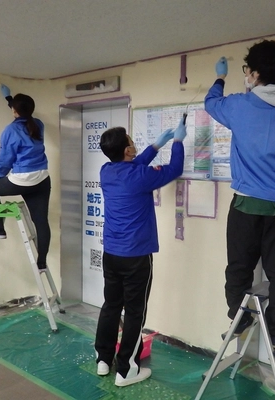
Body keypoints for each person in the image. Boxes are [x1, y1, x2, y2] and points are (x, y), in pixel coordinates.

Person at [204, 40, 275, 349]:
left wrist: (220, 78)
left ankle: (239, 317)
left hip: (246, 206)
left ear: (254, 73)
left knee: (239, 267)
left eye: (247, 70)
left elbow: (211, 103)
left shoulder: (239, 105)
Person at [94, 117, 187, 387]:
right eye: (131, 142)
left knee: (111, 306)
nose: (134, 144)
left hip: (112, 254)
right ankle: (126, 370)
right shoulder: (140, 176)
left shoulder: (107, 171)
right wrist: (178, 141)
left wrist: (155, 146)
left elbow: (132, 166)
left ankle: (103, 359)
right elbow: (175, 169)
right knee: (135, 312)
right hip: (136, 257)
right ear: (127, 150)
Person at [0, 84, 51, 271]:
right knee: (41, 221)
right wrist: (9, 99)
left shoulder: (10, 131)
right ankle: (42, 261)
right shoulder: (38, 124)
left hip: (22, 179)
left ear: (15, 111)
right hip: (42, 178)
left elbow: (5, 159)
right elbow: (23, 113)